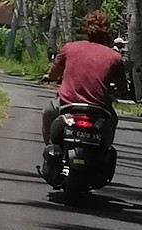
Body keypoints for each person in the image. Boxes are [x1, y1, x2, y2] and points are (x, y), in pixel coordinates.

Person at [43, 10, 129, 161]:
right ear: (106, 32)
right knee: (113, 120)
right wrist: (120, 92)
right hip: (99, 108)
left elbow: (54, 74)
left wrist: (48, 77)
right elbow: (122, 88)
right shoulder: (114, 57)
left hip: (66, 104)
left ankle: (50, 149)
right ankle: (103, 154)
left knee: (48, 112)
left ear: (85, 29)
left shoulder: (69, 48)